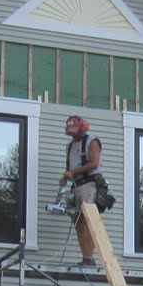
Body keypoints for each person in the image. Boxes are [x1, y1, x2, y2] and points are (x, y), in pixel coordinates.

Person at [59, 114, 102, 266]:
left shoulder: (92, 142)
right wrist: (66, 176)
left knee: (87, 221)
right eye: (70, 131)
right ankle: (85, 258)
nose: (72, 134)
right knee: (78, 222)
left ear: (82, 128)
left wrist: (74, 172)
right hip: (76, 185)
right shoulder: (69, 146)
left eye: (74, 131)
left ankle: (89, 258)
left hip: (89, 184)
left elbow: (94, 164)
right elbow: (69, 167)